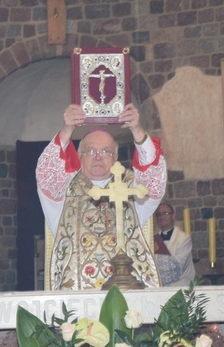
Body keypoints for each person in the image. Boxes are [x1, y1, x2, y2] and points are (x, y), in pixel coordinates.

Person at [36, 103, 167, 290]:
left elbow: (154, 181)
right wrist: (68, 129)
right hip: (77, 303)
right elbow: (46, 175)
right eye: (91, 151)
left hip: (127, 297)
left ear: (115, 158)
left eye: (106, 151)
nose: (98, 157)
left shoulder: (132, 189)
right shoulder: (63, 191)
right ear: (79, 156)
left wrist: (137, 131)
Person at [154, 202, 195, 286]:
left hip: (181, 287)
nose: (161, 217)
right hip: (159, 288)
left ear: (173, 216)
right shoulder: (153, 239)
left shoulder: (184, 239)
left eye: (165, 213)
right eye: (158, 214)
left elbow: (178, 266)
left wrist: (154, 258)